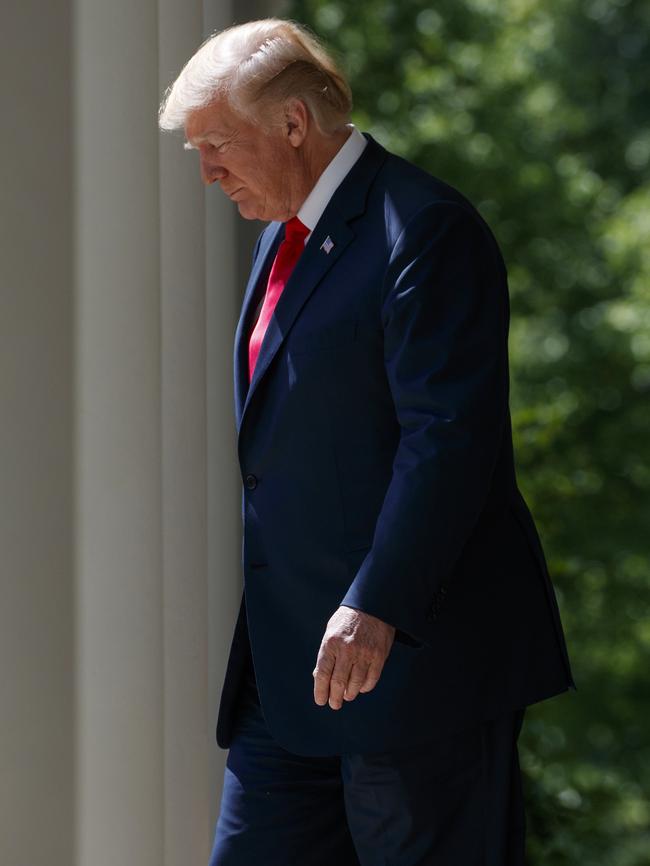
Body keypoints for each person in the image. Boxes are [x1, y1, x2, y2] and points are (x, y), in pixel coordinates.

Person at [159, 18, 574, 866]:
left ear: (291, 124)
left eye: (218, 144)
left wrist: (377, 604)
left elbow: (449, 438)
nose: (206, 172)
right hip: (287, 677)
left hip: (413, 665)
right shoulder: (281, 235)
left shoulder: (422, 228)